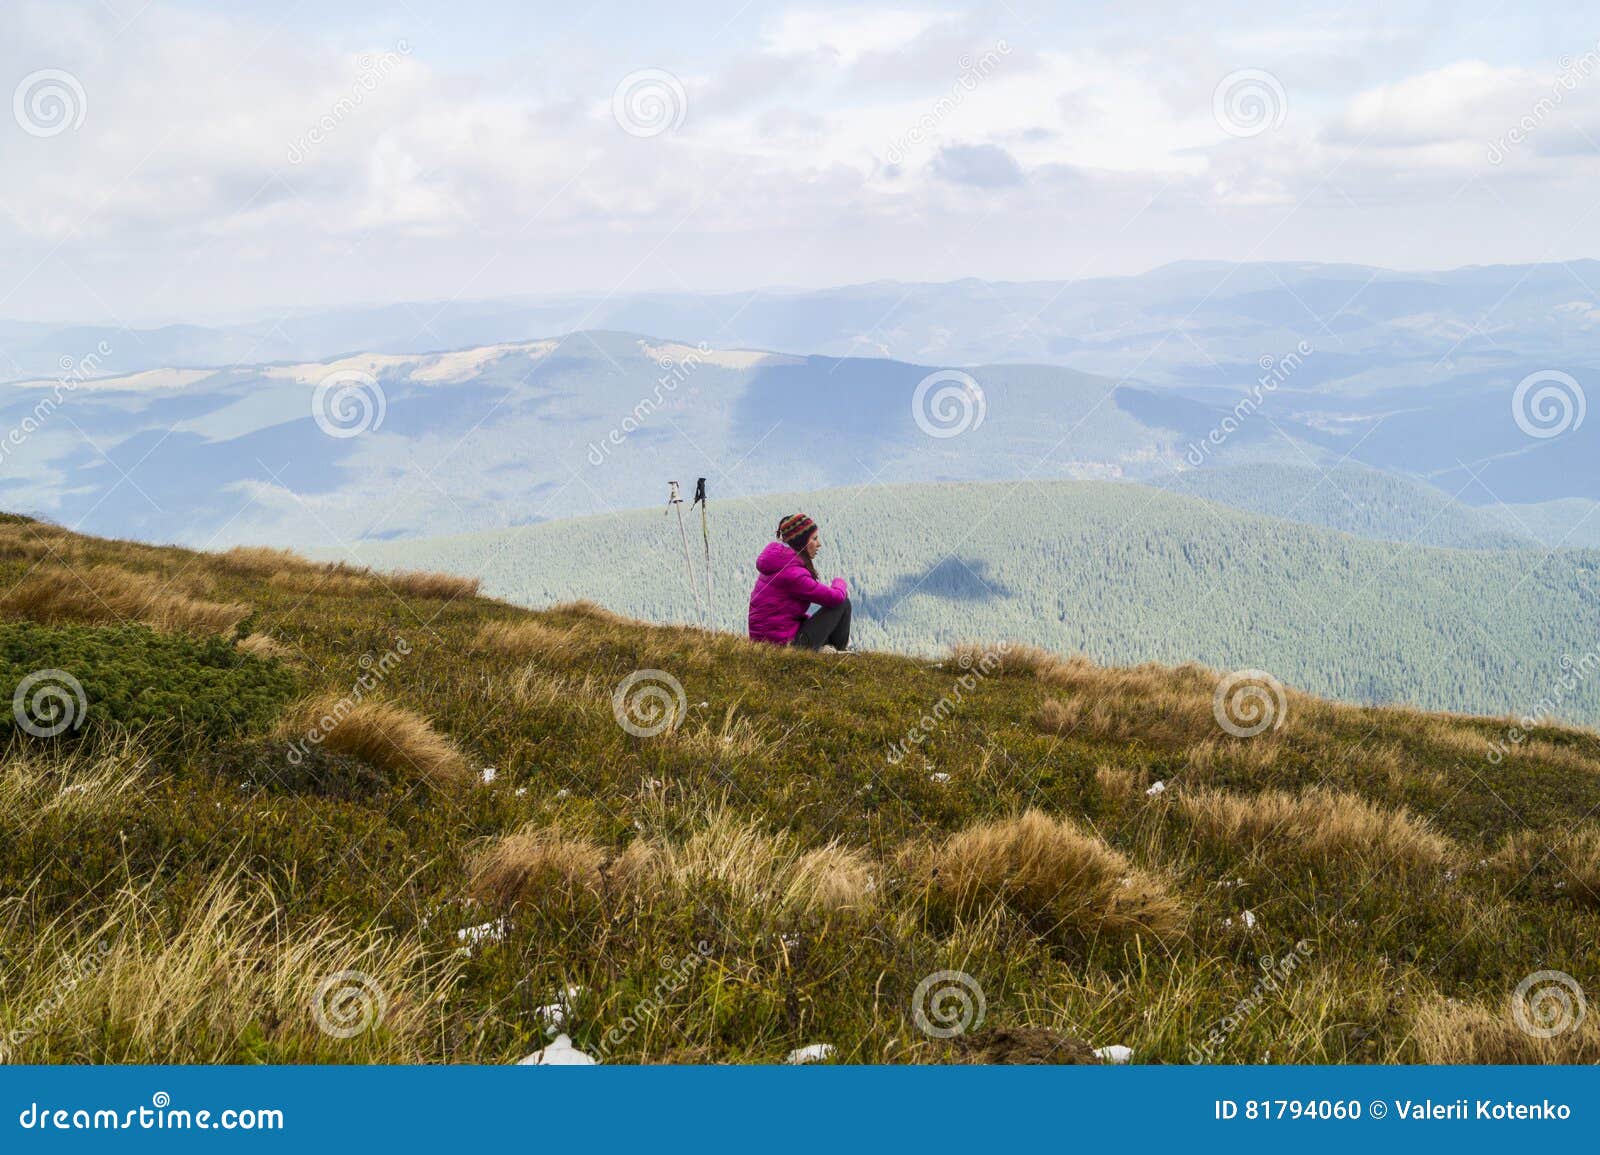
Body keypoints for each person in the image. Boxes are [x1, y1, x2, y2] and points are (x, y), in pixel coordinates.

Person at [747, 513, 852, 650]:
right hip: (784, 646)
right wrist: (840, 582)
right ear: (802, 543)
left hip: (767, 640)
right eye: (814, 539)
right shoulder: (794, 575)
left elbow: (781, 613)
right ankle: (839, 652)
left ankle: (831, 649)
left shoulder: (778, 562)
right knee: (842, 603)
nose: (819, 544)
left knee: (835, 606)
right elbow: (835, 598)